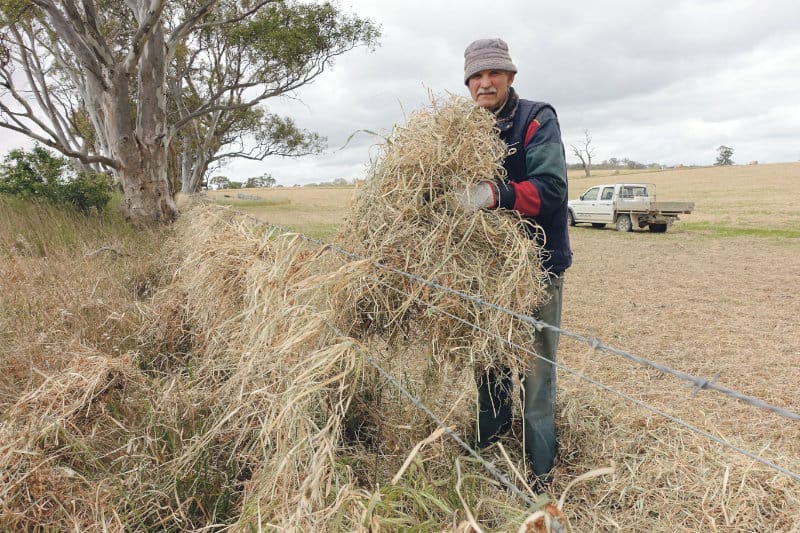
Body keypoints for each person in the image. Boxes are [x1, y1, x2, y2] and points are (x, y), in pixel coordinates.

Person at [457, 38, 572, 487]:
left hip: (539, 266)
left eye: (493, 74)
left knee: (537, 369)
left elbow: (551, 189)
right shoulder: (465, 130)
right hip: (486, 270)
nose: (485, 83)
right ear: (469, 84)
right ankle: (490, 456)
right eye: (477, 77)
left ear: (510, 77)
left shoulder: (536, 118)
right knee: (489, 363)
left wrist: (495, 195)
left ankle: (539, 471)